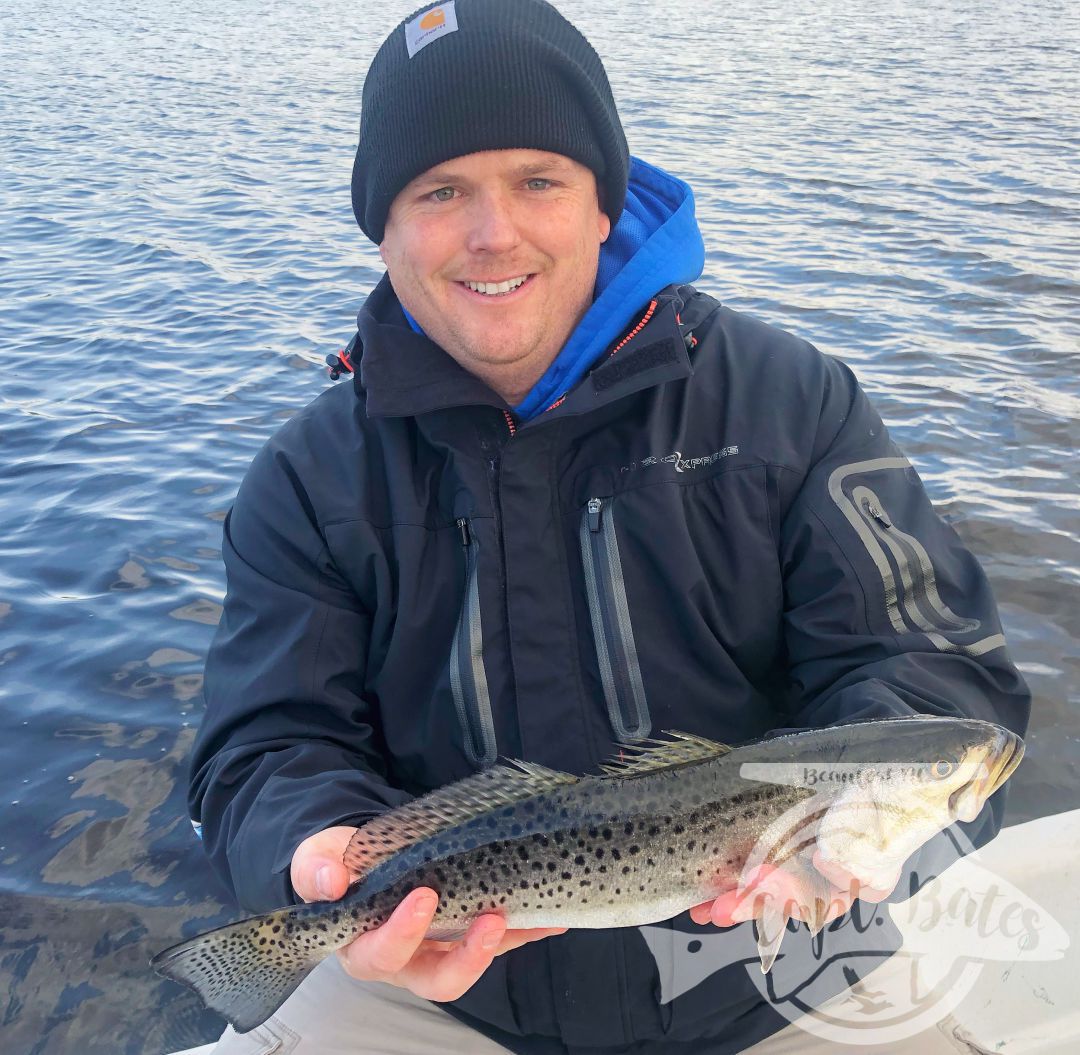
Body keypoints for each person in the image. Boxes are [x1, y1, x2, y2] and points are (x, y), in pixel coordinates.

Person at [188, 1, 1030, 1051]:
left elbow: (933, 662)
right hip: (431, 985)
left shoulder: (789, 400)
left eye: (538, 179)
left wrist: (856, 837)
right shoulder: (307, 477)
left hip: (785, 963)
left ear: (602, 203)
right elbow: (262, 746)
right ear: (385, 226)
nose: (494, 233)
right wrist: (314, 854)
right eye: (440, 191)